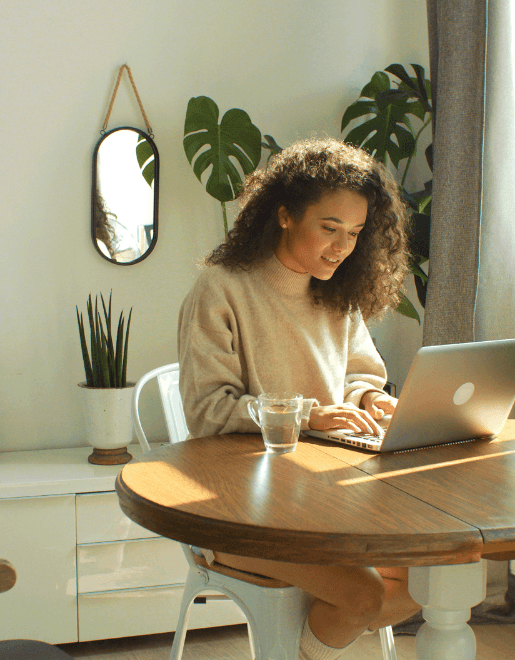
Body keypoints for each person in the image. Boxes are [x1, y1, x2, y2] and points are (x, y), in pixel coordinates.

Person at [177, 138, 419, 660]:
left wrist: (369, 400)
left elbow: (357, 374)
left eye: (355, 233)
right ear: (284, 215)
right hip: (239, 508)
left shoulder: (337, 290)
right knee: (364, 594)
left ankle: (301, 648)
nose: (342, 248)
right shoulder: (222, 289)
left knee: (430, 578)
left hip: (328, 494)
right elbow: (207, 410)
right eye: (329, 229)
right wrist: (309, 413)